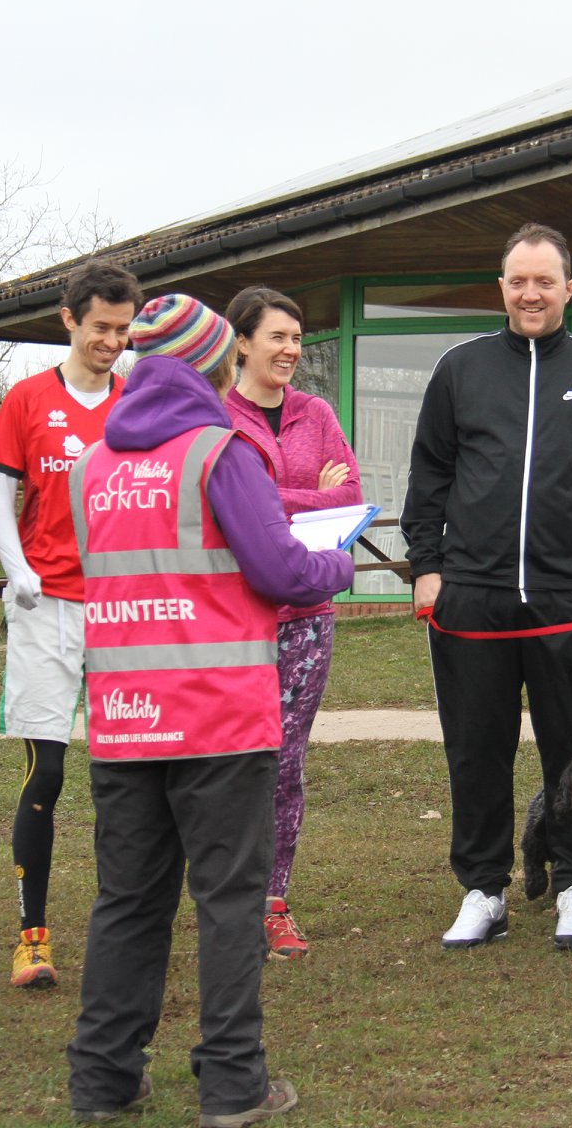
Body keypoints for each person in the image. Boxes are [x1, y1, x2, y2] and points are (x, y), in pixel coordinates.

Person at [64, 295, 354, 1126]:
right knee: (229, 902)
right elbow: (283, 571)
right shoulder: (220, 454)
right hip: (220, 721)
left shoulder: (91, 466)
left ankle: (104, 1080)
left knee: (127, 902)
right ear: (214, 365)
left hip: (124, 719)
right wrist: (336, 564)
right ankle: (232, 1084)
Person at [403, 221, 572, 953]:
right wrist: (427, 565)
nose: (531, 293)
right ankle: (484, 888)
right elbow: (431, 471)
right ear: (502, 287)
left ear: (569, 288)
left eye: (544, 281)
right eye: (518, 281)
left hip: (571, 596)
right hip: (472, 595)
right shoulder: (461, 368)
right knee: (476, 750)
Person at [0, 261, 143, 987]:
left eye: (123, 329)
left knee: (125, 773)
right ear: (70, 320)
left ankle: (127, 927)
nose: (112, 341)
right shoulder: (27, 399)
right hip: (45, 606)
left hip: (121, 609)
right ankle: (32, 937)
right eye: (100, 326)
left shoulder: (135, 401)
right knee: (46, 769)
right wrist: (17, 568)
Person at [223, 285, 363, 961]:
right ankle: (227, 897)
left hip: (309, 616)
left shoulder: (317, 413)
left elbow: (351, 497)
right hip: (237, 617)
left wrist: (272, 503)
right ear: (241, 342)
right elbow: (225, 502)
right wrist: (312, 498)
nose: (290, 350)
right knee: (234, 764)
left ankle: (273, 904)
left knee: (285, 764)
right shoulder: (218, 417)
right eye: (277, 337)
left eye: (297, 339)